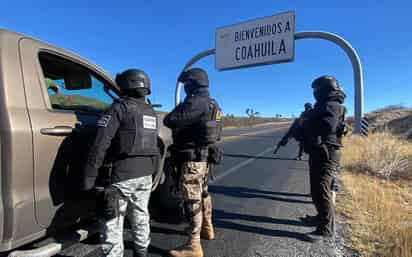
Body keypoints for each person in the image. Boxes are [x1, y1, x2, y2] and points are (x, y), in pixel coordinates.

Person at [81, 69, 158, 257]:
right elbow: (154, 145)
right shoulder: (150, 112)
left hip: (121, 176)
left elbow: (100, 144)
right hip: (145, 175)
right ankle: (142, 253)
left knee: (113, 224)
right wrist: (154, 171)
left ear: (125, 86)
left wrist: (89, 177)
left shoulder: (119, 108)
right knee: (141, 216)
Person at [164, 68, 222, 257]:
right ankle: (207, 227)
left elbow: (171, 120)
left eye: (187, 83)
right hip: (204, 158)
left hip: (192, 159)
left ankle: (193, 245)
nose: (186, 87)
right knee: (203, 193)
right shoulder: (213, 104)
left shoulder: (196, 102)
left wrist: (180, 106)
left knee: (192, 199)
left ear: (193, 83)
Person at [302, 75, 346, 241]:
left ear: (324, 89)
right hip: (321, 151)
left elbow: (327, 126)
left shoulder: (331, 105)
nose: (314, 92)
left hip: (326, 152)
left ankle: (326, 229)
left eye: (316, 89)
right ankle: (320, 218)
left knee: (322, 190)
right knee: (316, 189)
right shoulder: (325, 105)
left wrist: (308, 122)